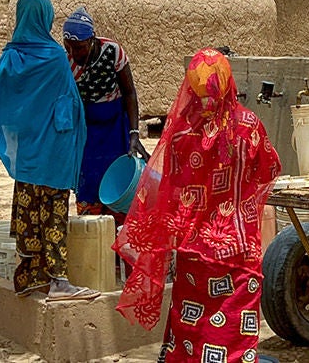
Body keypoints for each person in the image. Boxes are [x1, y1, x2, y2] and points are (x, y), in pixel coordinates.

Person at [113, 48, 281, 363]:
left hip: (192, 251)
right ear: (228, 82)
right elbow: (268, 170)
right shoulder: (249, 127)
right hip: (237, 252)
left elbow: (170, 190)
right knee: (231, 332)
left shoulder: (180, 135)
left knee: (193, 329)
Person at [0, 0, 99, 302]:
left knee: (28, 212)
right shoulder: (53, 58)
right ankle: (59, 281)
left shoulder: (8, 59)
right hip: (55, 153)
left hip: (26, 156)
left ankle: (29, 276)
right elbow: (69, 107)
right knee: (54, 214)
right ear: (46, 18)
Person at [62, 7, 149, 222]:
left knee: (120, 180)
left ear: (91, 40)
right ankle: (92, 234)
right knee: (88, 182)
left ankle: (118, 237)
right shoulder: (67, 61)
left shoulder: (113, 52)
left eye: (80, 48)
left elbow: (129, 93)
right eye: (69, 47)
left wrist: (134, 133)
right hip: (87, 130)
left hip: (115, 128)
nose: (75, 53)